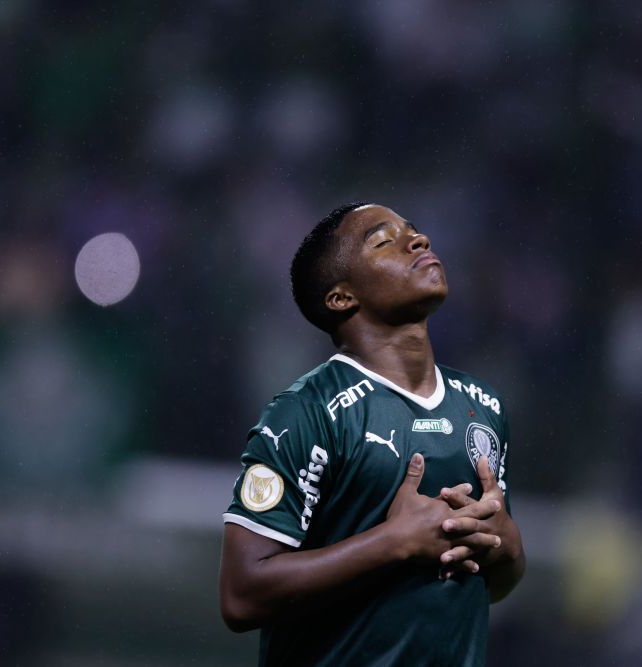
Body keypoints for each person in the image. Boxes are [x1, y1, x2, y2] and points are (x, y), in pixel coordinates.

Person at [218, 202, 525, 666]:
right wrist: (392, 542)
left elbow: (494, 583)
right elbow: (241, 595)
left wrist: (506, 543)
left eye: (415, 231)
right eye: (383, 241)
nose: (418, 241)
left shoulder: (482, 406)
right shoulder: (305, 413)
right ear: (342, 298)